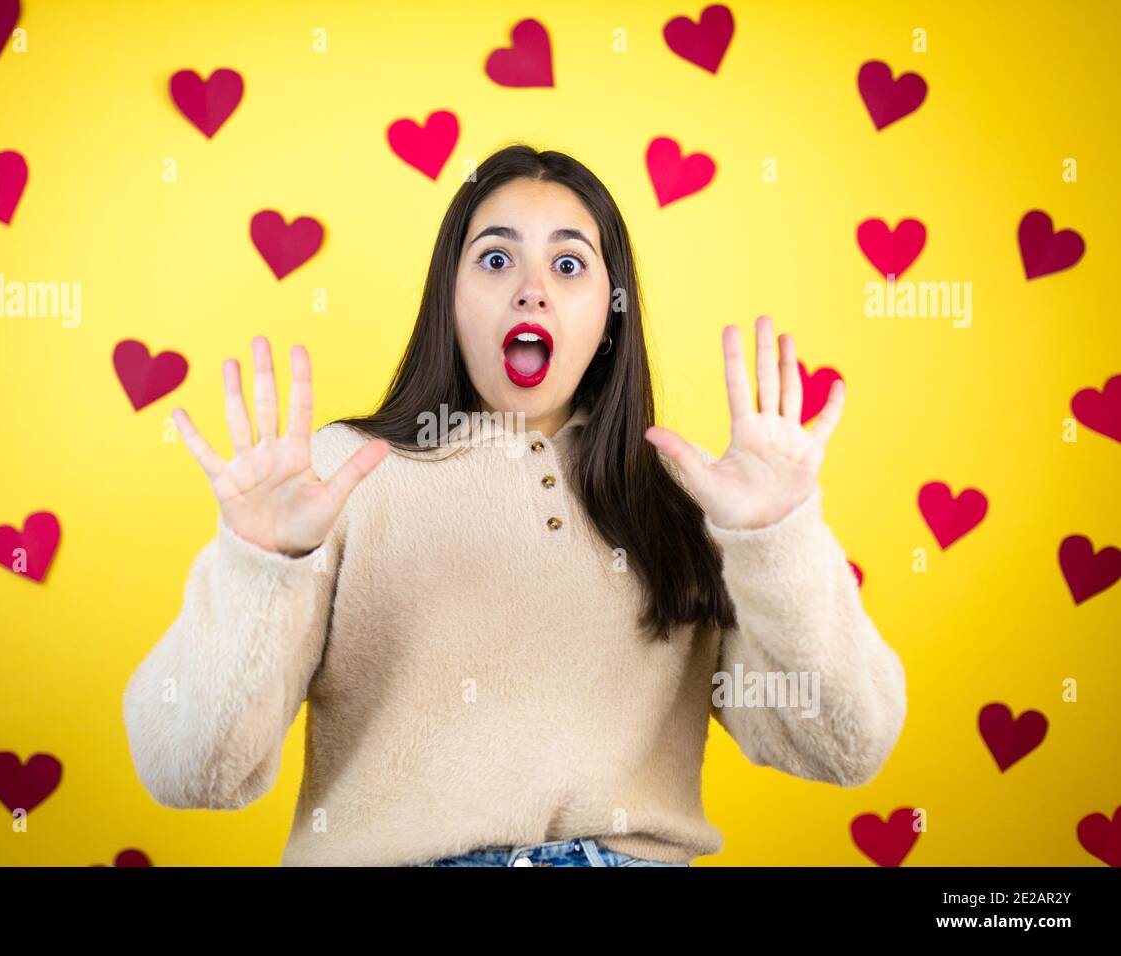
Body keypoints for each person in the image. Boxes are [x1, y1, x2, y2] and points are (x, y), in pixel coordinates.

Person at [122, 144, 907, 867]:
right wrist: (262, 564)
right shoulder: (338, 478)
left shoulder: (688, 502)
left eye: (570, 264)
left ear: (609, 315)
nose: (532, 288)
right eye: (495, 258)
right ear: (450, 296)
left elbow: (843, 746)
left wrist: (776, 540)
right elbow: (193, 770)